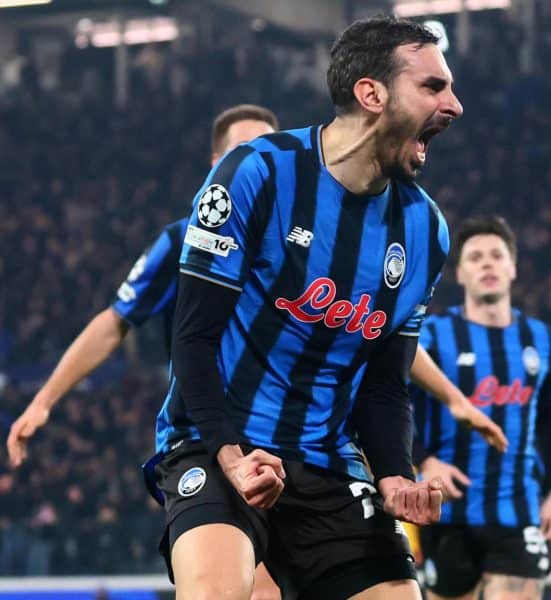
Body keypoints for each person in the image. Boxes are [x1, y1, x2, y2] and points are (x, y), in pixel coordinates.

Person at [152, 16, 464, 600]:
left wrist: (395, 473)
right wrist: (233, 458)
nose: (455, 104)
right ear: (371, 93)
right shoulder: (258, 174)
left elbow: (385, 385)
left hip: (326, 460)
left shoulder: (426, 231)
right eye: (434, 86)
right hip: (219, 443)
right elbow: (192, 341)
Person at [6, 104, 285, 599]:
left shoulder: (314, 247)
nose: (255, 163)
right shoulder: (184, 241)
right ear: (216, 164)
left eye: (266, 152)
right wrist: (44, 400)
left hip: (299, 439)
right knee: (248, 587)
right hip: (208, 435)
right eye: (241, 151)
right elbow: (115, 322)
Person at [408, 215, 551, 600]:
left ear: (513, 267)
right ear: (459, 274)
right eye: (475, 258)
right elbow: (395, 405)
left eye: (497, 255)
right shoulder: (431, 337)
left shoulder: (542, 340)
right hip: (447, 513)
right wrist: (424, 461)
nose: (488, 264)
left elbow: (548, 420)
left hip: (518, 512)